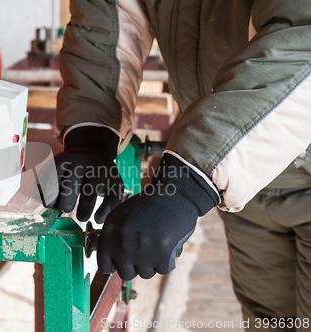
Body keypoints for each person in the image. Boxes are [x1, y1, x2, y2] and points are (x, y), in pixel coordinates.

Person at [45, 0, 311, 330]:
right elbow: (110, 18)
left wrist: (187, 185)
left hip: (271, 161)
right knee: (271, 321)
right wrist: (91, 135)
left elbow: (303, 43)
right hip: (247, 186)